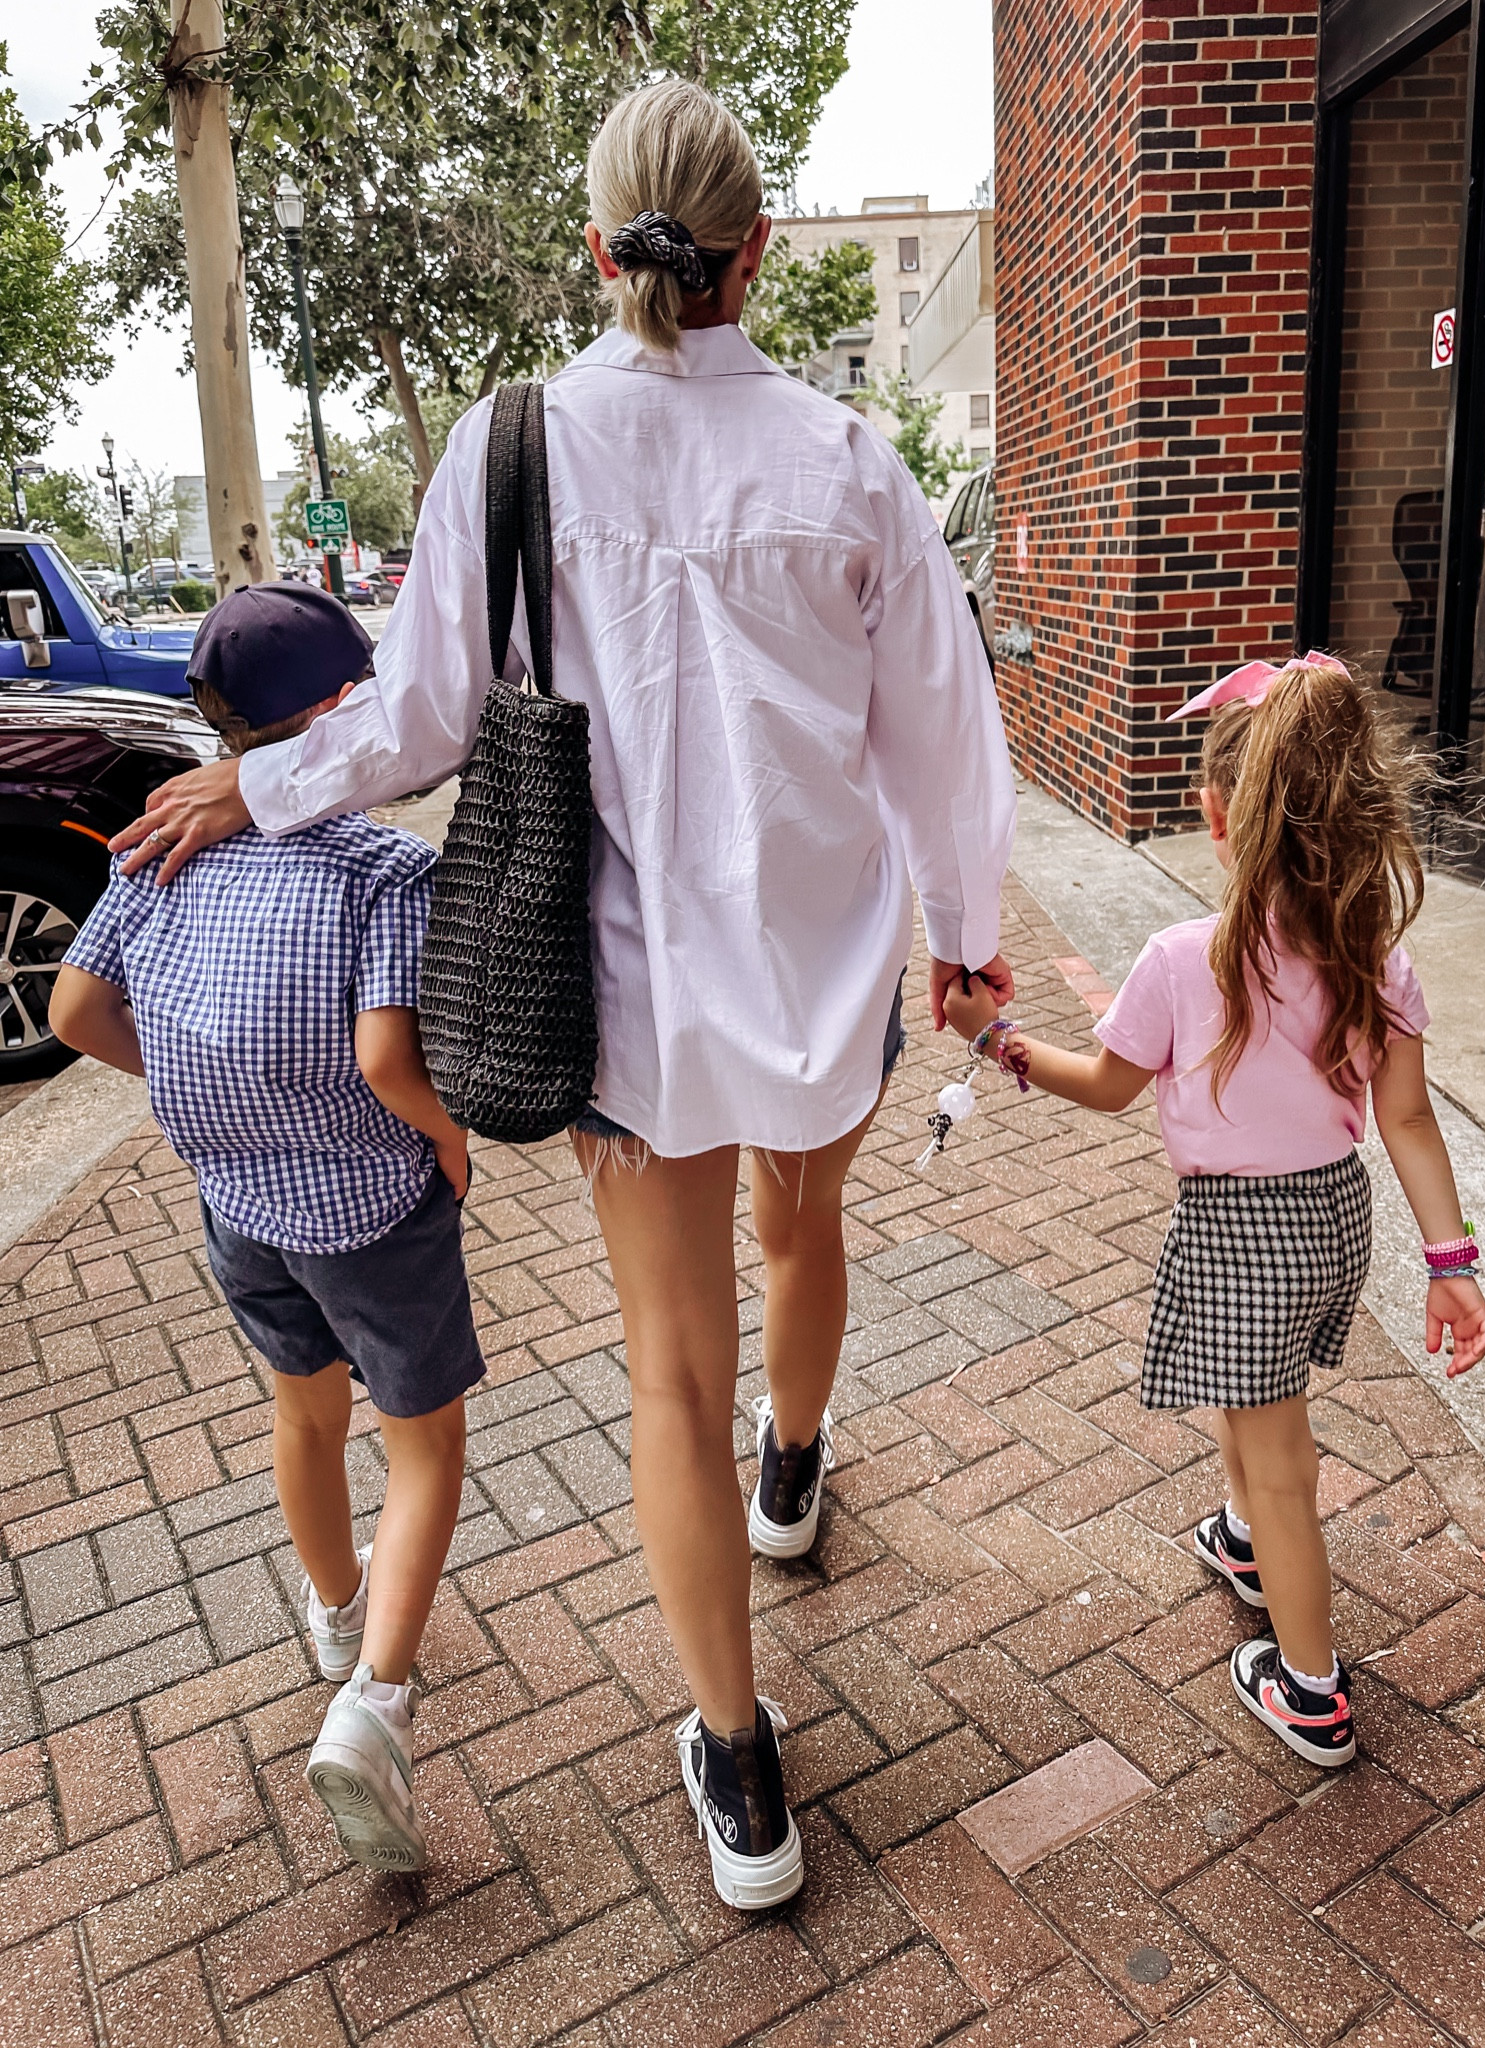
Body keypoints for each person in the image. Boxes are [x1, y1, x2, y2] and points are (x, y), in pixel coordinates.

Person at [105, 79, 1018, 1908]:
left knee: (667, 1371)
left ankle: (740, 1772)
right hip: (821, 974)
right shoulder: (848, 461)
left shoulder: (511, 442)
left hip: (619, 1003)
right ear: (756, 249)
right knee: (803, 1227)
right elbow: (945, 736)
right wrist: (965, 928)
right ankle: (799, 1469)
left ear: (599, 252)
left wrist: (250, 782)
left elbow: (421, 721)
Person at [946, 654, 1485, 1769]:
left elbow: (1103, 1087)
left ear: (1214, 814)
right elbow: (1411, 1124)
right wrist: (1451, 1260)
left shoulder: (1180, 959)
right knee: (1255, 1401)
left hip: (1242, 1233)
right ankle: (1247, 1543)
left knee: (1276, 1446)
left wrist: (991, 1038)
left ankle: (1312, 1691)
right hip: (1336, 1222)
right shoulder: (1375, 957)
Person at [50, 583, 483, 1872]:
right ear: (344, 710)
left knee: (305, 1411)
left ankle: (338, 1617)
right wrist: (447, 1137)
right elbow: (388, 1054)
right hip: (371, 1205)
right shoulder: (384, 867)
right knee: (426, 1450)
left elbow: (75, 1008)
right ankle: (376, 1708)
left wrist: (204, 1090)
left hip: (236, 1201)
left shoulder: (163, 845)